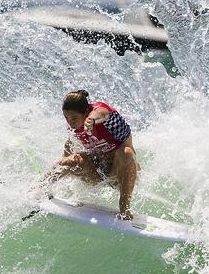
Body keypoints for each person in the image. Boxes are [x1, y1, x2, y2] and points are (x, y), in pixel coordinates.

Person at [40, 90, 139, 220]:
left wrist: (91, 120)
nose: (70, 122)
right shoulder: (74, 126)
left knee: (126, 153)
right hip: (98, 172)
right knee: (68, 162)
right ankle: (39, 189)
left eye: (74, 118)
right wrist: (66, 165)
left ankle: (125, 210)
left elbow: (102, 113)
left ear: (86, 112)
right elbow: (69, 144)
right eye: (66, 118)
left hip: (120, 174)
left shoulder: (102, 114)